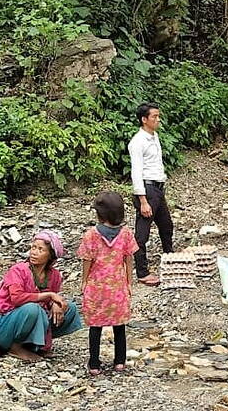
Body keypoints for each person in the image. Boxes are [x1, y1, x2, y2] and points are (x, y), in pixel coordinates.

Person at [0, 231, 82, 363]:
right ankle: (15, 347)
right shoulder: (18, 270)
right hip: (4, 327)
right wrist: (50, 295)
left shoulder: (54, 275)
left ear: (50, 255)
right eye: (33, 247)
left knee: (70, 308)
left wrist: (55, 304)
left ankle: (34, 345)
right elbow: (17, 298)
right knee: (33, 309)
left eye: (41, 249)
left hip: (32, 318)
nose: (34, 252)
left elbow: (50, 301)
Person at [78, 191, 139, 375]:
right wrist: (129, 281)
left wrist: (84, 282)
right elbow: (129, 258)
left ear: (100, 214)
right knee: (119, 326)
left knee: (95, 327)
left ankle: (94, 364)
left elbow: (87, 260)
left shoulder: (91, 235)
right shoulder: (126, 234)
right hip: (118, 287)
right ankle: (119, 361)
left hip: (97, 288)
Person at [128, 102, 174, 286]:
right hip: (147, 190)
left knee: (166, 225)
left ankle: (169, 257)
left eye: (158, 116)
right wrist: (142, 200)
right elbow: (136, 171)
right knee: (142, 233)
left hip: (158, 188)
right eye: (154, 117)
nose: (158, 120)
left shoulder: (154, 137)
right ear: (144, 119)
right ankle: (142, 271)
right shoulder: (137, 142)